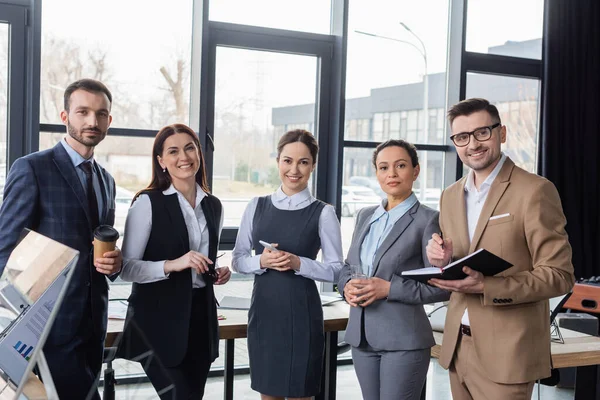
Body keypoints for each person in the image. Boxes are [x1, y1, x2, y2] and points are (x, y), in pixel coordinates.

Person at [426, 98, 575, 399]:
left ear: (501, 133)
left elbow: (559, 275)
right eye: (462, 137)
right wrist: (444, 258)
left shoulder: (534, 190)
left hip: (509, 353)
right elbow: (462, 262)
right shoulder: (449, 196)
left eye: (482, 132)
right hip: (457, 348)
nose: (473, 144)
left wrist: (487, 285)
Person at [0, 79, 122, 399]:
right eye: (82, 112)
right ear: (65, 116)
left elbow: (97, 246)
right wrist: (14, 328)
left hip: (93, 324)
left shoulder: (106, 181)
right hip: (45, 327)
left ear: (109, 120)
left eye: (100, 114)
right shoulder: (32, 169)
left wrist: (114, 263)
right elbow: (5, 250)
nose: (91, 121)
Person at [117, 123, 231, 399]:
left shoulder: (213, 205)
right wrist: (172, 264)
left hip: (200, 322)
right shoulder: (147, 203)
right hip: (157, 324)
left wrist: (214, 272)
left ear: (199, 154)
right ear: (161, 161)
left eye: (190, 148)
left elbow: (200, 263)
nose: (184, 157)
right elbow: (126, 268)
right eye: (173, 151)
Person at [231, 129, 343, 400]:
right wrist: (261, 260)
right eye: (287, 160)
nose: (294, 169)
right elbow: (237, 260)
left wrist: (298, 263)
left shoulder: (323, 213)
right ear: (278, 161)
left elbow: (337, 269)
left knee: (299, 392)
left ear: (313, 166)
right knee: (268, 394)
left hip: (302, 316)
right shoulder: (256, 205)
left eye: (303, 162)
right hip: (265, 315)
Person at [337, 139, 450, 400]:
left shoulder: (428, 219)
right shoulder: (365, 215)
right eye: (383, 167)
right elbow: (347, 267)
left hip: (404, 339)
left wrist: (389, 289)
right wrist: (346, 287)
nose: (392, 174)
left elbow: (442, 287)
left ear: (416, 171)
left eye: (400, 166)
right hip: (361, 337)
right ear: (376, 172)